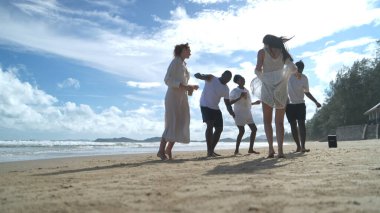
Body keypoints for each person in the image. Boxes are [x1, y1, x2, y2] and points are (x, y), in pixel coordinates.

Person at [254, 34, 297, 158]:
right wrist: (286, 75)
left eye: (264, 43)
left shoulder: (261, 52)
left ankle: (271, 150)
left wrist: (264, 77)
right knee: (280, 122)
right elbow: (292, 68)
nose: (264, 46)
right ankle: (281, 151)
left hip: (267, 88)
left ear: (267, 43)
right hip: (281, 88)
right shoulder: (283, 53)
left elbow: (257, 69)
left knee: (267, 121)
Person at [157, 43, 199, 160]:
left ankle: (168, 149)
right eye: (188, 49)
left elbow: (181, 82)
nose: (190, 51)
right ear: (182, 50)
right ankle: (161, 151)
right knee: (172, 123)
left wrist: (190, 87)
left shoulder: (183, 64)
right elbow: (167, 79)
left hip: (182, 98)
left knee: (182, 123)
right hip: (173, 97)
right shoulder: (175, 61)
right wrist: (185, 87)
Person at [194, 70, 235, 157]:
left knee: (219, 129)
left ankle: (211, 150)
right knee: (210, 125)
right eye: (226, 77)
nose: (227, 79)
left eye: (229, 79)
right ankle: (209, 151)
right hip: (205, 105)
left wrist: (231, 112)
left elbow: (227, 103)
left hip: (215, 108)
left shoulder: (226, 89)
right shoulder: (212, 78)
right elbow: (203, 75)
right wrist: (199, 75)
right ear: (222, 74)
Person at [286, 60, 321, 152]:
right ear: (294, 68)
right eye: (298, 69)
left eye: (301, 69)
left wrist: (316, 102)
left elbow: (307, 92)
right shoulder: (288, 76)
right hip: (289, 105)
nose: (300, 71)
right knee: (293, 125)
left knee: (301, 125)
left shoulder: (304, 78)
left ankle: (303, 147)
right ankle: (298, 146)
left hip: (301, 104)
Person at [229, 74, 261, 155]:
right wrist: (240, 97)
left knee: (254, 129)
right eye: (241, 79)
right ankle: (236, 150)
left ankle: (250, 149)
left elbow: (248, 103)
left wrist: (255, 103)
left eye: (243, 78)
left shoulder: (247, 90)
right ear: (237, 81)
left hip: (247, 113)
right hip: (239, 113)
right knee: (241, 131)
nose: (243, 80)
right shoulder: (234, 91)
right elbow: (229, 102)